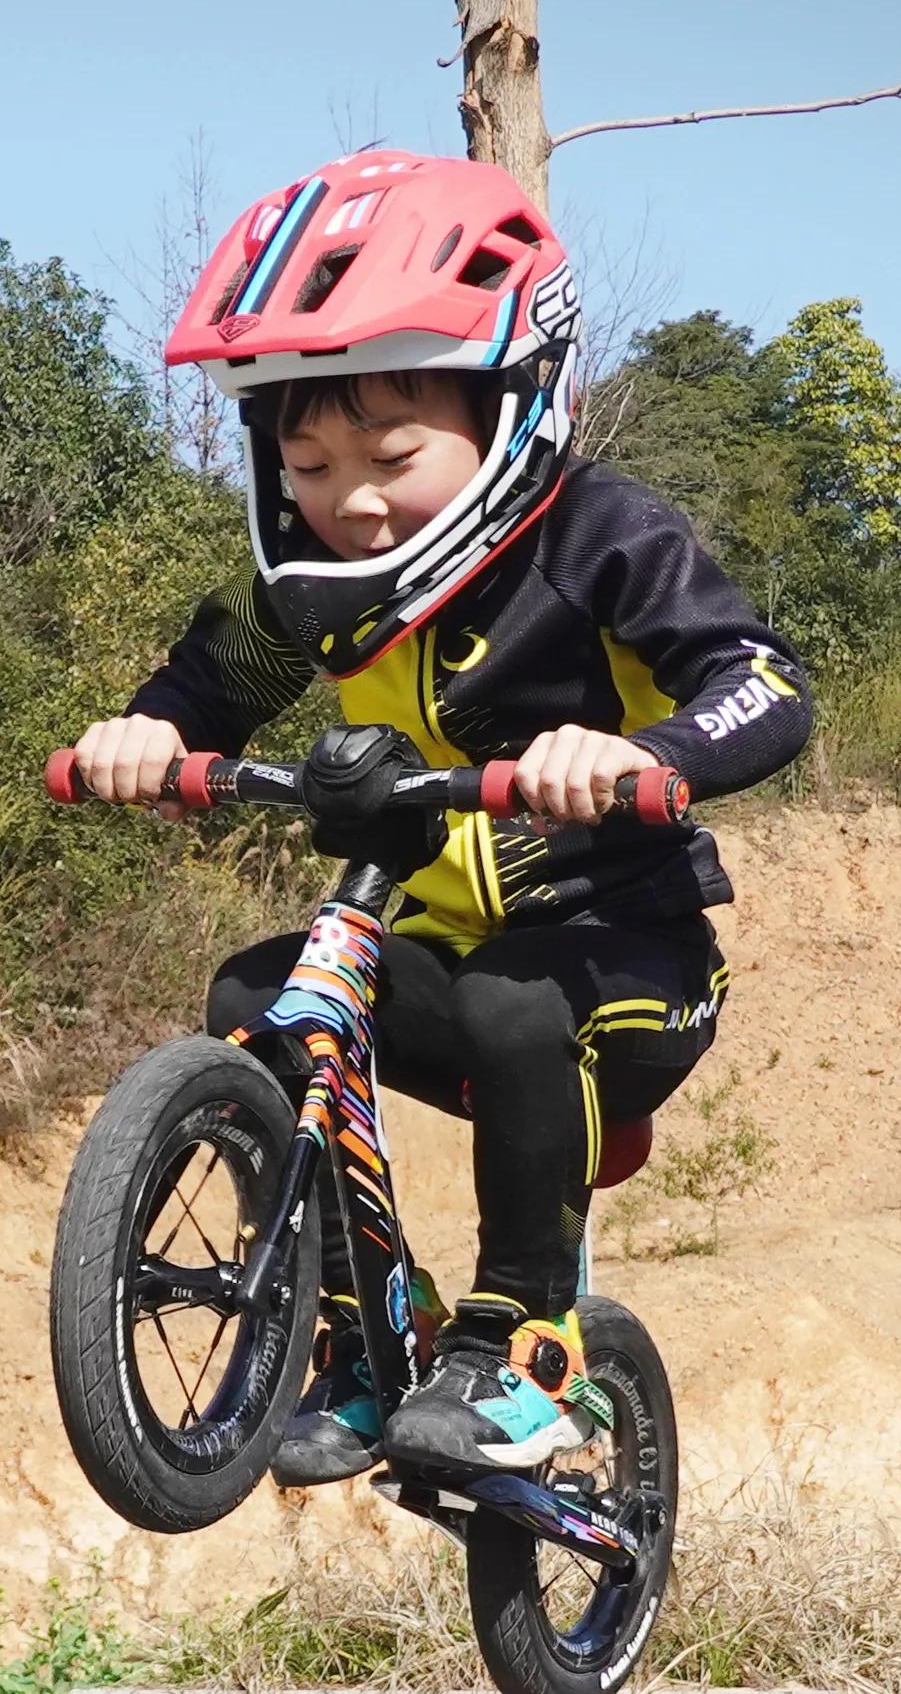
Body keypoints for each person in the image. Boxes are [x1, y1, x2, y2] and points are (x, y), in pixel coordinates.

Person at [65, 150, 810, 1488]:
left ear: (510, 412)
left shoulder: (604, 537)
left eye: (391, 456)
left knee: (517, 998)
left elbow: (761, 684)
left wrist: (640, 751)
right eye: (306, 458)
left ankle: (526, 1350)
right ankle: (355, 1330)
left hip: (628, 966)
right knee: (260, 991)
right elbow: (200, 692)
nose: (348, 497)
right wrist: (145, 738)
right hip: (446, 956)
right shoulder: (314, 582)